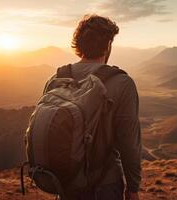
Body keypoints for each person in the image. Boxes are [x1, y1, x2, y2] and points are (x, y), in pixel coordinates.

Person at [43, 14, 141, 200]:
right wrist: (133, 188)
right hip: (105, 187)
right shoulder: (122, 83)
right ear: (108, 45)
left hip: (65, 185)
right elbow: (129, 144)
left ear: (78, 45)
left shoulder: (55, 80)